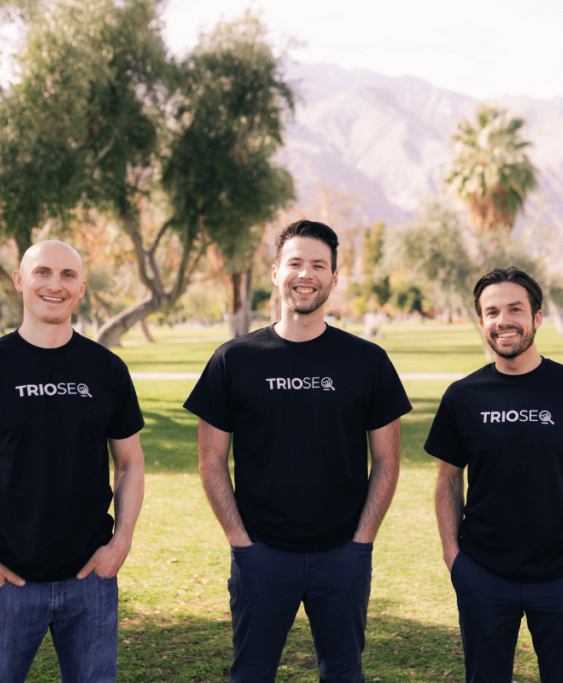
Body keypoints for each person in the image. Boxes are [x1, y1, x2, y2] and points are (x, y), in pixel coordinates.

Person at [184, 220, 412, 683]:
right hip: (261, 555)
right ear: (275, 271)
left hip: (343, 555)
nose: (305, 274)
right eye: (295, 263)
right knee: (250, 674)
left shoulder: (368, 361)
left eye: (318, 265)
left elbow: (388, 459)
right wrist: (240, 542)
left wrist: (362, 541)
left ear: (333, 278)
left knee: (345, 674)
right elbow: (211, 460)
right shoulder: (233, 359)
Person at [0, 240, 145, 683]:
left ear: (81, 287)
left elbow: (130, 463)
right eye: (42, 272)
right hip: (6, 582)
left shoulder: (107, 369)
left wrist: (120, 543)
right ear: (19, 281)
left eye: (68, 275)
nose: (55, 284)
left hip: (91, 581)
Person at [425, 267, 563, 683]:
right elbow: (447, 479)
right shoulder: (462, 396)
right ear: (481, 322)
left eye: (515, 309)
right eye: (492, 311)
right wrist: (454, 557)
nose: (504, 321)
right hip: (482, 574)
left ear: (537, 317)